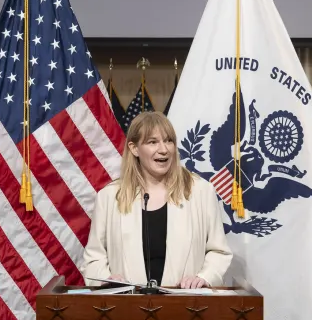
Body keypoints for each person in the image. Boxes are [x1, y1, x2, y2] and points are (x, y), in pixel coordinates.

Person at [83, 111, 233, 289]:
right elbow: (94, 258)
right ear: (134, 148)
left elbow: (219, 251)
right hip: (127, 308)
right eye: (153, 142)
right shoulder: (109, 197)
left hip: (185, 307)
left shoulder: (200, 191)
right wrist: (107, 279)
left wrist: (204, 277)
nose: (164, 149)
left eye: (168, 140)